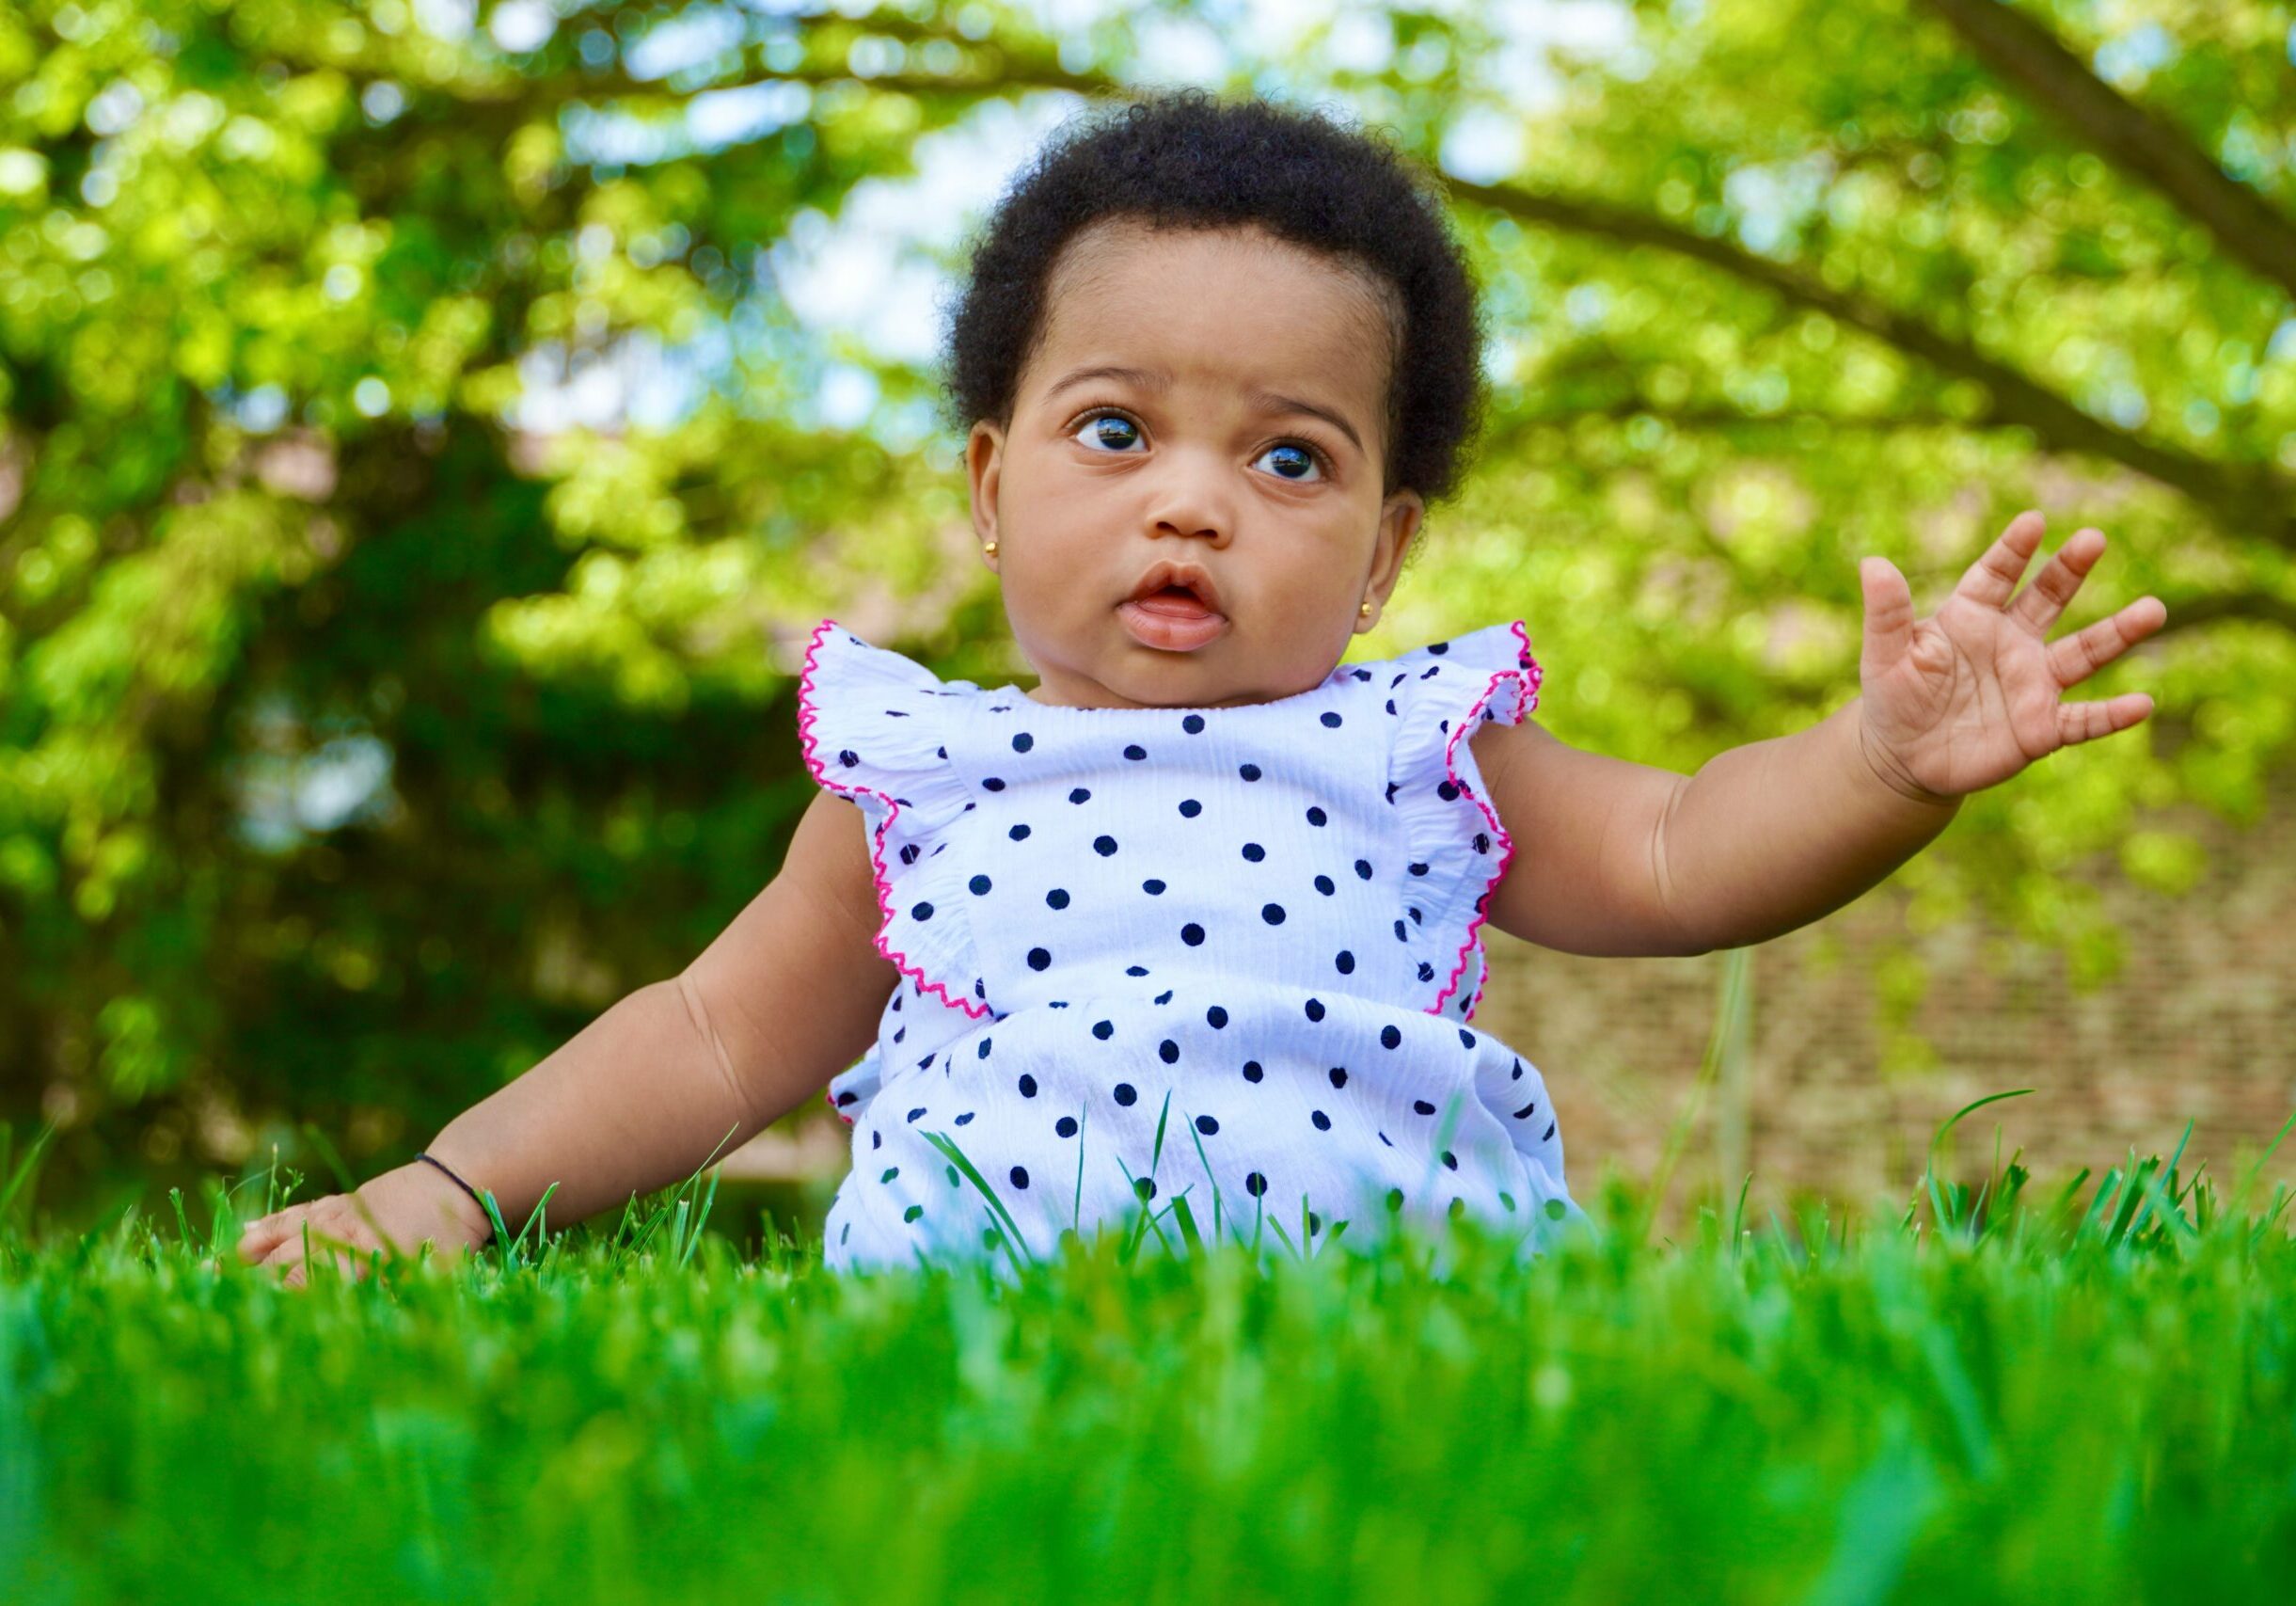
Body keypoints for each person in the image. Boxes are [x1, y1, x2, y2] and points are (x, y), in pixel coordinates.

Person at [235, 90, 2165, 1284]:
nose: (1193, 502)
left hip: (1416, 1321)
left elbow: (1674, 853)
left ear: (1390, 547)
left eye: (1290, 457)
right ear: (991, 486)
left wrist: (1880, 758)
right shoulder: (922, 767)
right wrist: (445, 1189)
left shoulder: (1420, 745)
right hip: (964, 1326)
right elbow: (717, 1040)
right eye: (1114, 427)